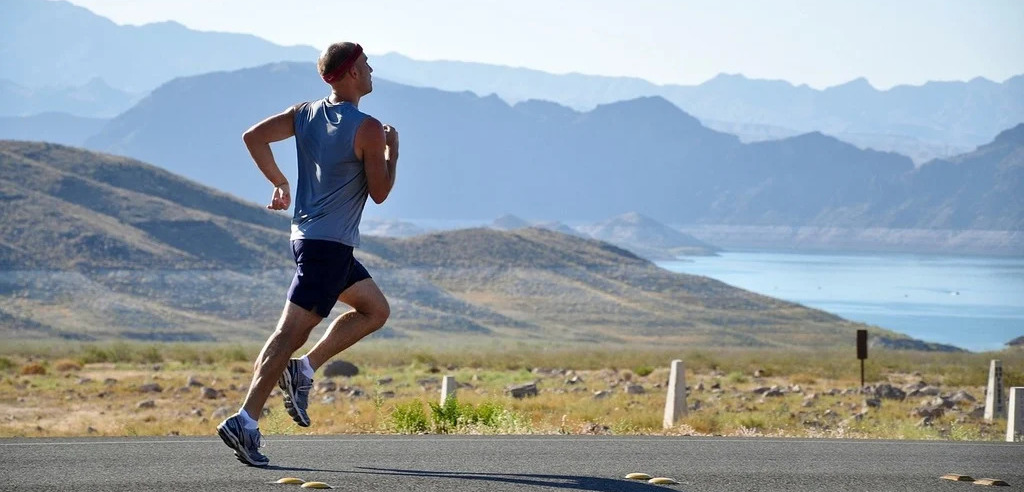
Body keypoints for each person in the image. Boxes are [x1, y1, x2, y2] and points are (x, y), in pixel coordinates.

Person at [217, 41, 399, 467]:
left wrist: (279, 181)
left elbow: (253, 137)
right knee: (288, 334)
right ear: (352, 72)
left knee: (375, 310)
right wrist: (393, 151)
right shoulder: (369, 128)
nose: (372, 72)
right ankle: (245, 420)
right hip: (328, 247)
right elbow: (380, 192)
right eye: (368, 66)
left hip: (311, 240)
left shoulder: (304, 113)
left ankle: (304, 369)